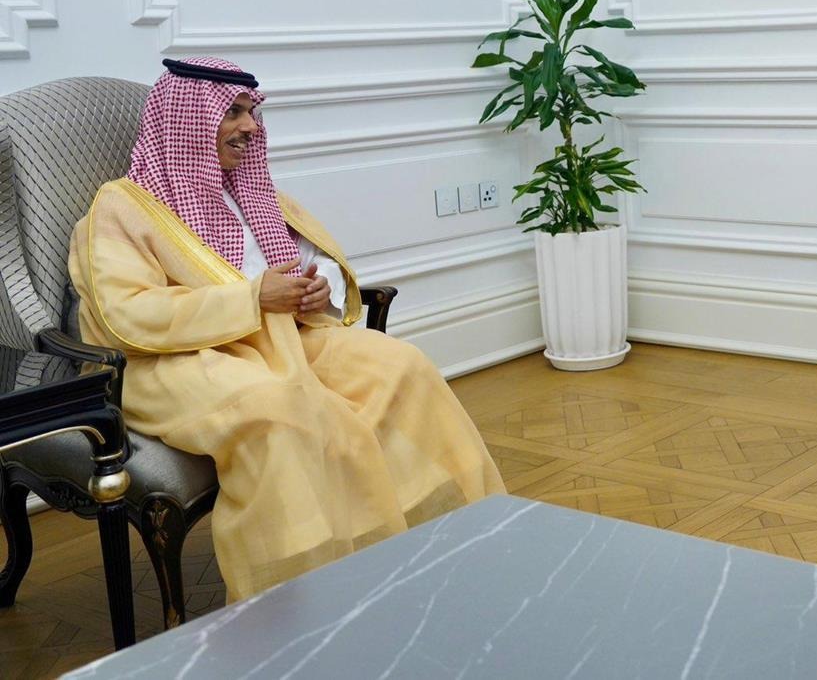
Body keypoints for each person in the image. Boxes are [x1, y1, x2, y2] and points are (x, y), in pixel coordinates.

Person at [68, 57, 505, 601]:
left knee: (402, 367)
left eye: (251, 112)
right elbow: (127, 315)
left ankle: (444, 543)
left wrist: (319, 291)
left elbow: (308, 262)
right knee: (280, 411)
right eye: (233, 112)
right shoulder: (121, 208)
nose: (250, 126)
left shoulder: (250, 190)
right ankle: (300, 594)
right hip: (175, 362)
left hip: (287, 338)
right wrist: (252, 300)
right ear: (189, 119)